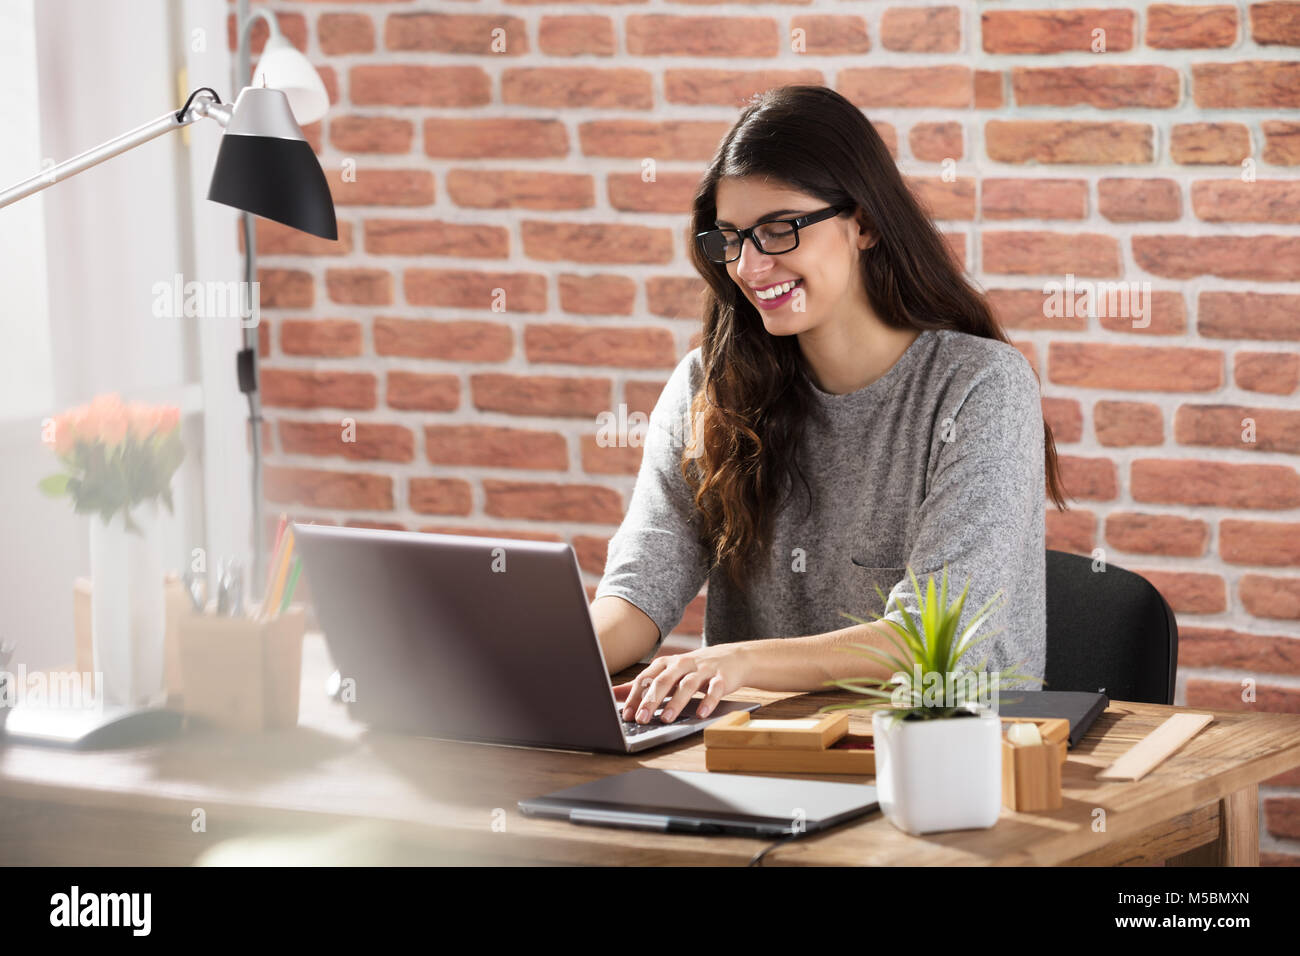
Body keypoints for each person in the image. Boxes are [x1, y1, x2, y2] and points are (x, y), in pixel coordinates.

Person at [591, 85, 1070, 725]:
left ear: (864, 223)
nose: (749, 265)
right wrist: (536, 660)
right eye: (730, 237)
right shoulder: (712, 384)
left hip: (952, 764)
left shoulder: (980, 387)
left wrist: (735, 663)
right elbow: (638, 594)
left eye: (779, 229)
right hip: (765, 757)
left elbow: (935, 642)